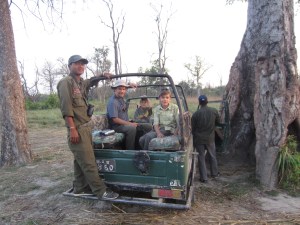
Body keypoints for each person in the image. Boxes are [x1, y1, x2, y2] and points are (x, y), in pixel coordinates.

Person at [57, 54, 119, 200]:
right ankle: (101, 191)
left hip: (86, 128)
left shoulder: (80, 83)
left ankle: (80, 188)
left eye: (83, 64)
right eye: (76, 64)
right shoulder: (66, 83)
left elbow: (91, 81)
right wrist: (72, 129)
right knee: (89, 162)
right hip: (77, 128)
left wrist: (103, 75)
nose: (80, 66)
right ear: (69, 66)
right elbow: (66, 109)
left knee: (80, 161)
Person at [191, 95, 220, 183]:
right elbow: (218, 122)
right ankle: (214, 174)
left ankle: (204, 178)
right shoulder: (214, 111)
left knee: (201, 157)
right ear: (207, 102)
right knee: (212, 156)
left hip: (199, 139)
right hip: (210, 139)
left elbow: (192, 128)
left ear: (199, 103)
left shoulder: (196, 114)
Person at [106, 80, 139, 150]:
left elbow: (124, 91)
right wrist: (129, 124)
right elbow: (115, 119)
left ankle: (141, 148)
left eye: (124, 89)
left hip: (124, 124)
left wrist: (129, 85)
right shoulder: (113, 102)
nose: (122, 91)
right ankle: (130, 151)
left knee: (146, 126)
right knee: (132, 128)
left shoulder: (121, 98)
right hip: (116, 127)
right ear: (115, 89)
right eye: (119, 89)